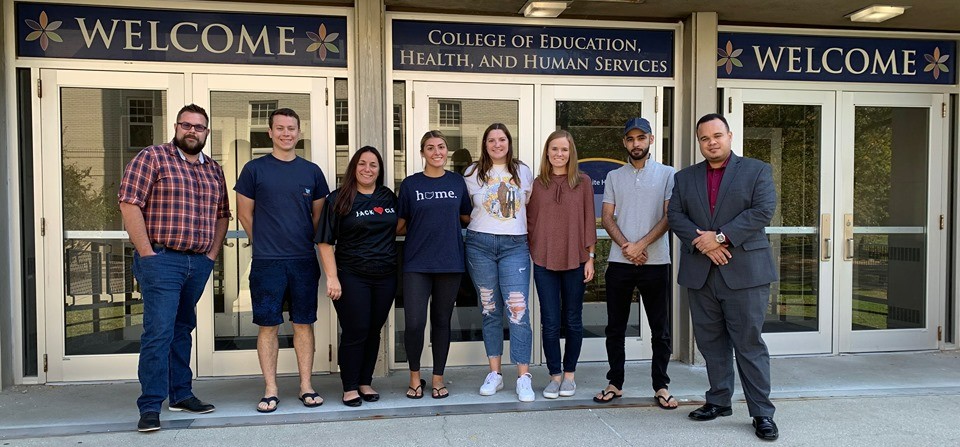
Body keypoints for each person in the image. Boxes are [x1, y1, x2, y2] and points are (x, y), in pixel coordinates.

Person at [667, 113, 779, 441]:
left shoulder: (756, 170)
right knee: (711, 343)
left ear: (730, 136)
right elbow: (675, 215)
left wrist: (719, 238)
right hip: (702, 273)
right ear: (699, 142)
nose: (711, 142)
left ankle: (762, 413)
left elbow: (761, 211)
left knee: (748, 344)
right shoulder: (685, 178)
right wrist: (705, 244)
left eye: (717, 136)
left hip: (745, 273)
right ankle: (718, 400)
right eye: (705, 138)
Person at [119, 104, 230, 432]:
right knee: (160, 330)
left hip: (197, 262)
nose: (193, 131)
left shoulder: (213, 169)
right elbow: (129, 203)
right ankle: (151, 405)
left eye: (199, 127)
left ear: (207, 133)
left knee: (182, 328)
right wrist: (147, 253)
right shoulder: (152, 157)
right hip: (162, 259)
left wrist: (211, 254)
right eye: (187, 125)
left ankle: (180, 393)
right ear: (177, 127)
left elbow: (223, 214)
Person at [234, 108, 329, 413]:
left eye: (291, 128)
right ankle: (271, 389)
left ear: (299, 133)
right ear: (270, 132)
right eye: (280, 128)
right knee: (268, 326)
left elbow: (318, 217)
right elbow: (244, 213)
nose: (286, 133)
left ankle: (306, 386)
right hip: (267, 262)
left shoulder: (311, 172)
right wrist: (262, 240)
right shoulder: (254, 169)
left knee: (303, 323)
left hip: (303, 259)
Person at [593, 117, 677, 409]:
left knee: (660, 330)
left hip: (656, 262)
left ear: (651, 140)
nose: (635, 143)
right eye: (630, 139)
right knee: (615, 328)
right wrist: (628, 248)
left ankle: (661, 386)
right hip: (620, 262)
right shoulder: (615, 176)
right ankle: (615, 382)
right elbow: (606, 216)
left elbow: (669, 216)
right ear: (624, 143)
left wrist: (640, 245)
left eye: (641, 138)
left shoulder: (668, 174)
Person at [315, 146, 398, 407]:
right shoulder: (338, 199)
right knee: (356, 329)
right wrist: (332, 277)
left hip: (385, 275)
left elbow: (398, 227)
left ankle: (365, 381)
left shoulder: (387, 197)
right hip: (351, 275)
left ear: (380, 170)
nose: (367, 169)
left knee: (374, 330)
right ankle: (349, 386)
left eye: (373, 165)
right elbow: (325, 242)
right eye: (362, 164)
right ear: (354, 167)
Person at [463, 123, 536, 402]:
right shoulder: (472, 173)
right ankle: (495, 374)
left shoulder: (523, 171)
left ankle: (523, 377)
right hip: (480, 245)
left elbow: (526, 207)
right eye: (491, 140)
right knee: (490, 310)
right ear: (484, 144)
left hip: (514, 246)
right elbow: (465, 210)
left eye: (501, 139)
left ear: (509, 142)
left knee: (518, 310)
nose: (496, 144)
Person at [397, 131, 472, 399]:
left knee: (442, 321)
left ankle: (438, 378)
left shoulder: (457, 182)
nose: (437, 152)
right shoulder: (410, 185)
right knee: (415, 323)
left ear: (446, 151)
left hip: (450, 262)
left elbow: (466, 216)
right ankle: (415, 377)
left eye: (441, 147)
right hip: (416, 263)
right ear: (422, 153)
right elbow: (400, 223)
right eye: (430, 147)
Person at [526, 130, 596, 399]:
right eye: (554, 149)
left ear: (571, 152)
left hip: (576, 259)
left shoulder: (583, 182)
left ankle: (569, 376)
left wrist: (590, 257)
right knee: (550, 321)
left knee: (573, 320)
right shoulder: (538, 184)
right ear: (547, 152)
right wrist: (534, 250)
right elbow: (531, 222)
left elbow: (589, 219)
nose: (559, 154)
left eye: (564, 149)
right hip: (544, 260)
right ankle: (554, 376)